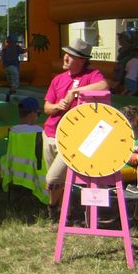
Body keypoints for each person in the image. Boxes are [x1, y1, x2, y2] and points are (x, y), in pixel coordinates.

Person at [43, 38, 109, 221]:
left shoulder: (92, 75)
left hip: (72, 137)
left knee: (52, 178)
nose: (65, 58)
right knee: (56, 183)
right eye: (66, 54)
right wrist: (58, 106)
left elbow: (103, 86)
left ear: (81, 60)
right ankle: (62, 213)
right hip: (50, 133)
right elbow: (47, 107)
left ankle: (54, 208)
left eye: (70, 56)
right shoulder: (58, 79)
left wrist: (74, 93)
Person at [1, 35, 26, 102]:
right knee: (14, 83)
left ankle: (9, 95)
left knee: (10, 82)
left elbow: (2, 58)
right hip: (13, 67)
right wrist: (31, 47)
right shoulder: (16, 47)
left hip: (6, 67)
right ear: (14, 42)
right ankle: (10, 97)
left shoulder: (5, 48)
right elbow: (23, 51)